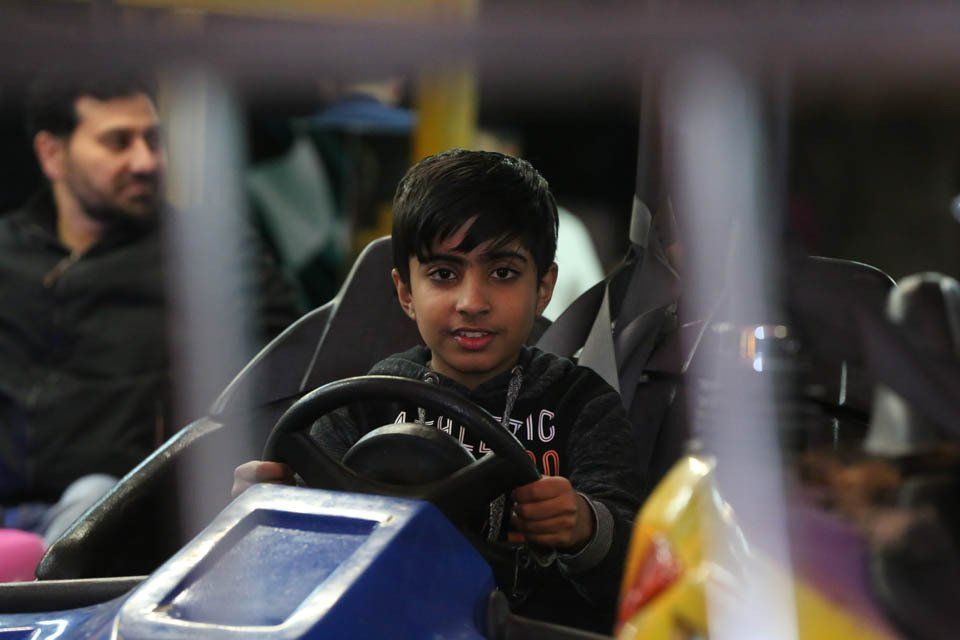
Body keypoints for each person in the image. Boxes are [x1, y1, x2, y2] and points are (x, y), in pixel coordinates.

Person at [234, 149, 642, 632]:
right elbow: (302, 557)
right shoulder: (368, 400)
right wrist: (264, 511)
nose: (472, 303)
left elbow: (640, 564)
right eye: (444, 275)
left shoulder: (581, 403)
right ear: (406, 292)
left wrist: (583, 527)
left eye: (503, 273)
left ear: (544, 288)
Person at [0, 75, 297, 545]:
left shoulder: (204, 254)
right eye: (118, 142)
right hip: (9, 510)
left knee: (90, 497)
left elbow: (288, 362)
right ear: (52, 154)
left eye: (153, 140)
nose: (145, 161)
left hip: (116, 516)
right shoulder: (7, 251)